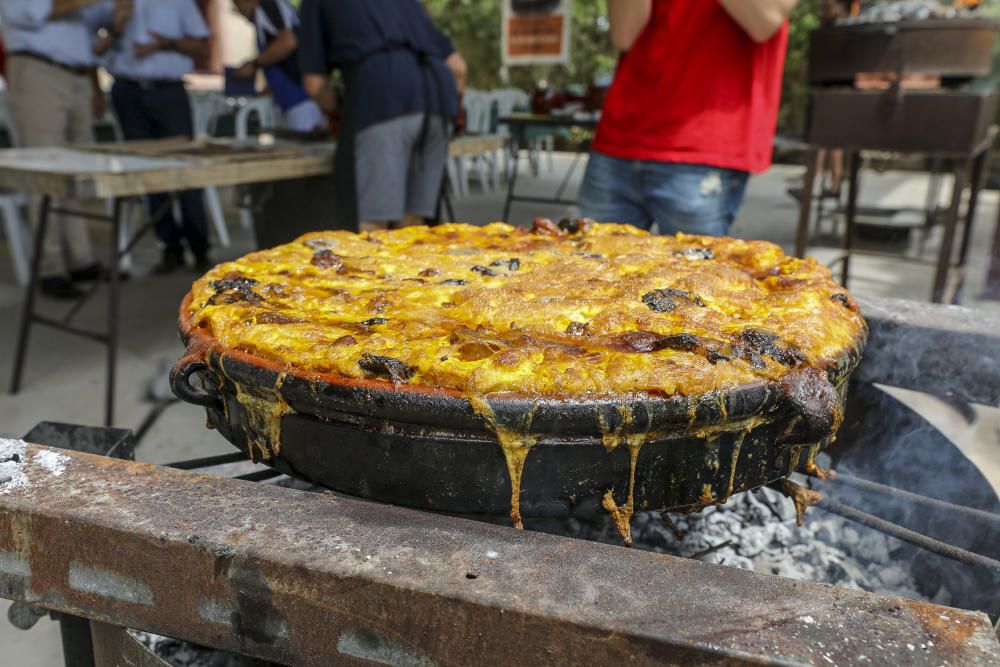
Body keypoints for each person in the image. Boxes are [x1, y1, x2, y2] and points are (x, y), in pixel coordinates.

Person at [578, 0, 797, 236]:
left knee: (697, 272)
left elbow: (765, 19)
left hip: (704, 146)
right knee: (582, 266)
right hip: (621, 135)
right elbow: (624, 35)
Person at [298, 0, 466, 232]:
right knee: (413, 227)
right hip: (439, 99)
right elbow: (458, 69)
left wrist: (337, 111)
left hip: (382, 94)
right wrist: (454, 117)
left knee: (373, 227)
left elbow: (314, 85)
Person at [93, 0, 213, 273]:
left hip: (168, 92)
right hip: (127, 91)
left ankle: (200, 247)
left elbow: (202, 46)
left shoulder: (180, 4)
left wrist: (165, 44)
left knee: (187, 168)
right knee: (147, 171)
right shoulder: (111, 5)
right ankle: (170, 246)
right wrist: (115, 27)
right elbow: (92, 49)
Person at [0, 0, 109, 298]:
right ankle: (50, 267)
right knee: (45, 174)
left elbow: (104, 21)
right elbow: (30, 13)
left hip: (79, 74)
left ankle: (81, 259)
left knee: (77, 175)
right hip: (38, 70)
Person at [230, 0, 326, 134]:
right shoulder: (264, 14)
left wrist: (254, 64)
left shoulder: (268, 6)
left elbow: (289, 42)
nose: (239, 11)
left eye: (237, 5)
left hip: (302, 101)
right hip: (294, 102)